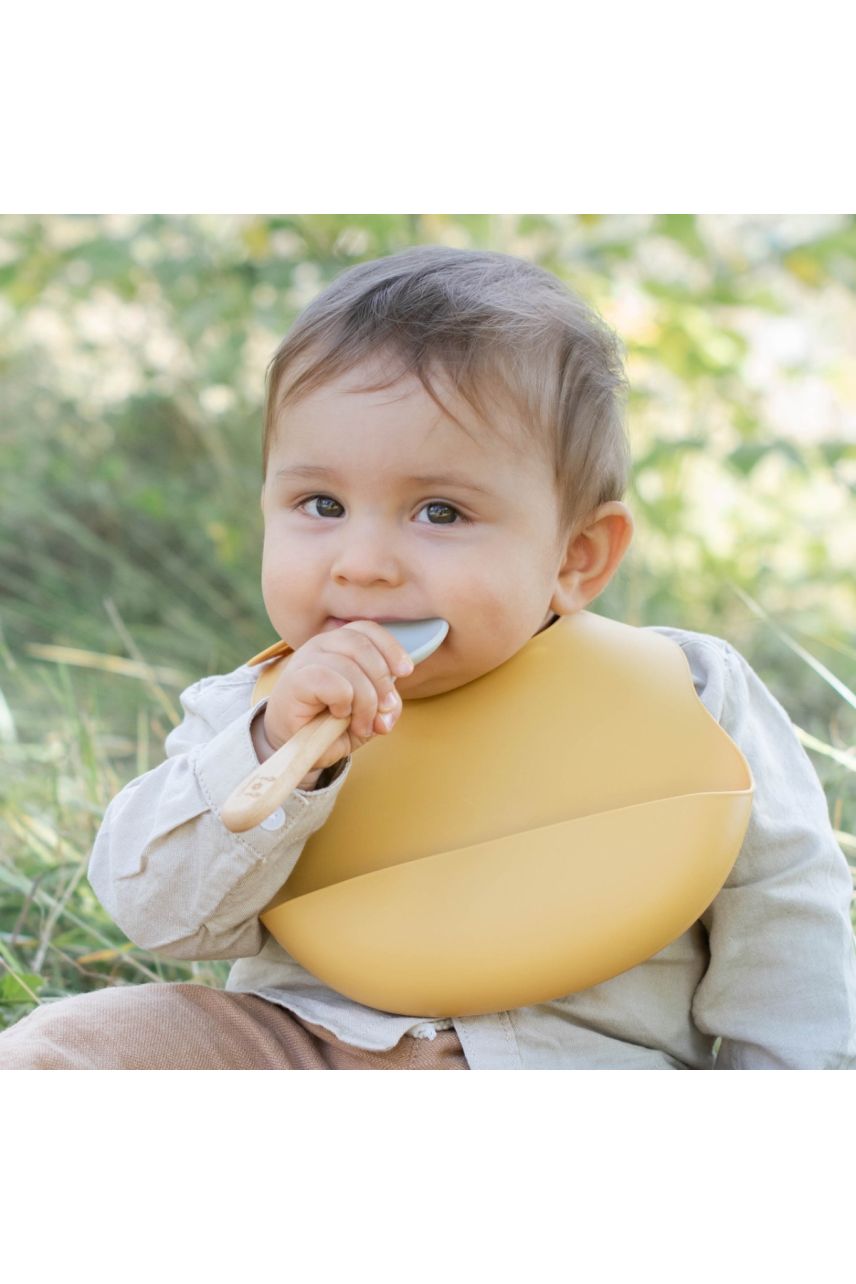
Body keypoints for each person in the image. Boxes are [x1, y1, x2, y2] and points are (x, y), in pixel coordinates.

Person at [2, 245, 855, 1070]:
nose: (362, 561)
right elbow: (158, 915)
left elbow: (786, 920)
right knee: (73, 1046)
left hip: (580, 1067)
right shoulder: (257, 709)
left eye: (440, 512)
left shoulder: (691, 694)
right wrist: (268, 752)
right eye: (321, 502)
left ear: (577, 557)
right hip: (303, 1047)